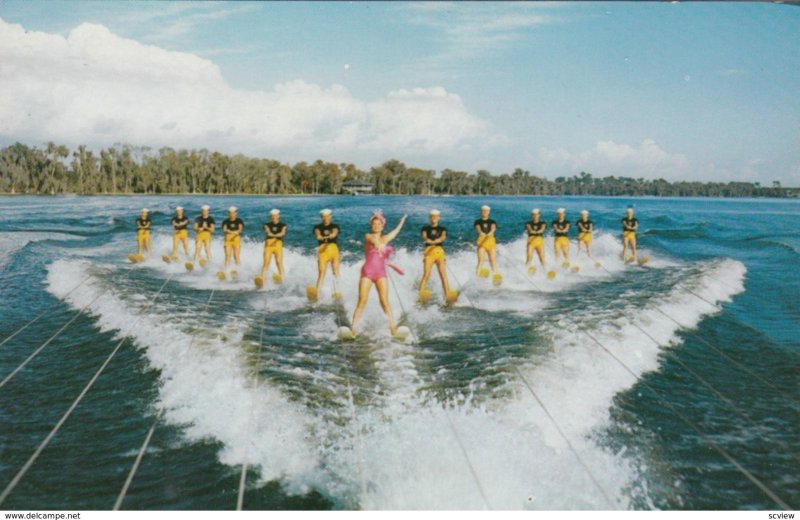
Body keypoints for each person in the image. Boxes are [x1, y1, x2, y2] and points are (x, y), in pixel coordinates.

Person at [350, 211, 407, 337]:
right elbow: (373, 240)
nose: (376, 226)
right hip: (367, 272)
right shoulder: (367, 236)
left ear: (382, 226)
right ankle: (353, 331)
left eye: (378, 224)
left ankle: (393, 330)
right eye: (374, 224)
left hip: (381, 273)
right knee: (362, 301)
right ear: (371, 225)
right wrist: (379, 245)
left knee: (384, 302)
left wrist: (402, 221)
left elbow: (396, 232)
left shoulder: (385, 238)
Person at [419, 209, 455, 303]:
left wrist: (435, 241)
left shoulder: (443, 229)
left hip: (439, 253)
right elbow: (424, 237)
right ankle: (420, 295)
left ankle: (447, 296)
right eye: (432, 216)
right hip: (428, 253)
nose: (434, 218)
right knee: (426, 274)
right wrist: (429, 241)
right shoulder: (425, 228)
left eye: (435, 216)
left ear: (439, 218)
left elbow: (442, 237)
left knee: (443, 275)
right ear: (429, 218)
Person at [312, 209, 341, 296]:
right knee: (322, 272)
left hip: (333, 250)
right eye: (324, 216)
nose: (326, 218)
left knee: (335, 271)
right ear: (321, 217)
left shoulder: (335, 226)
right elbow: (317, 232)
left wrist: (333, 234)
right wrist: (319, 236)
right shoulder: (317, 227)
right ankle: (317, 292)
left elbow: (335, 231)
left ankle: (337, 292)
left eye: (328, 216)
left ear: (331, 216)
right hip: (322, 251)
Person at [259, 208, 287, 284]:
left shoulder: (283, 225)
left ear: (278, 216)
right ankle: (262, 279)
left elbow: (282, 233)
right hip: (268, 246)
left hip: (278, 245)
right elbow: (268, 232)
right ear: (270, 217)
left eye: (275, 216)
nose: (274, 217)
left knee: (278, 262)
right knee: (266, 263)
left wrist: (274, 235)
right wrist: (276, 235)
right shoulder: (267, 225)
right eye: (272, 216)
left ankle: (283, 278)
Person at [474, 205, 499, 278]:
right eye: (483, 211)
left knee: (492, 261)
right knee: (481, 260)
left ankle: (495, 276)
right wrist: (481, 232)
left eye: (486, 211)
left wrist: (490, 233)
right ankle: (477, 277)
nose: (485, 212)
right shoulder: (477, 221)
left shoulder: (492, 221)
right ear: (481, 212)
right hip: (481, 242)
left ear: (489, 212)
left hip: (490, 242)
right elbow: (478, 228)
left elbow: (493, 228)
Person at [221, 206, 244, 273]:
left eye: (233, 213)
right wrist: (232, 232)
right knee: (227, 256)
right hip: (228, 240)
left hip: (236, 239)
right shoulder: (225, 221)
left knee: (236, 256)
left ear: (236, 213)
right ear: (228, 213)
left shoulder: (239, 221)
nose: (232, 214)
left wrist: (231, 232)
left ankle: (239, 271)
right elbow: (225, 230)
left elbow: (240, 230)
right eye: (230, 213)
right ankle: (225, 271)